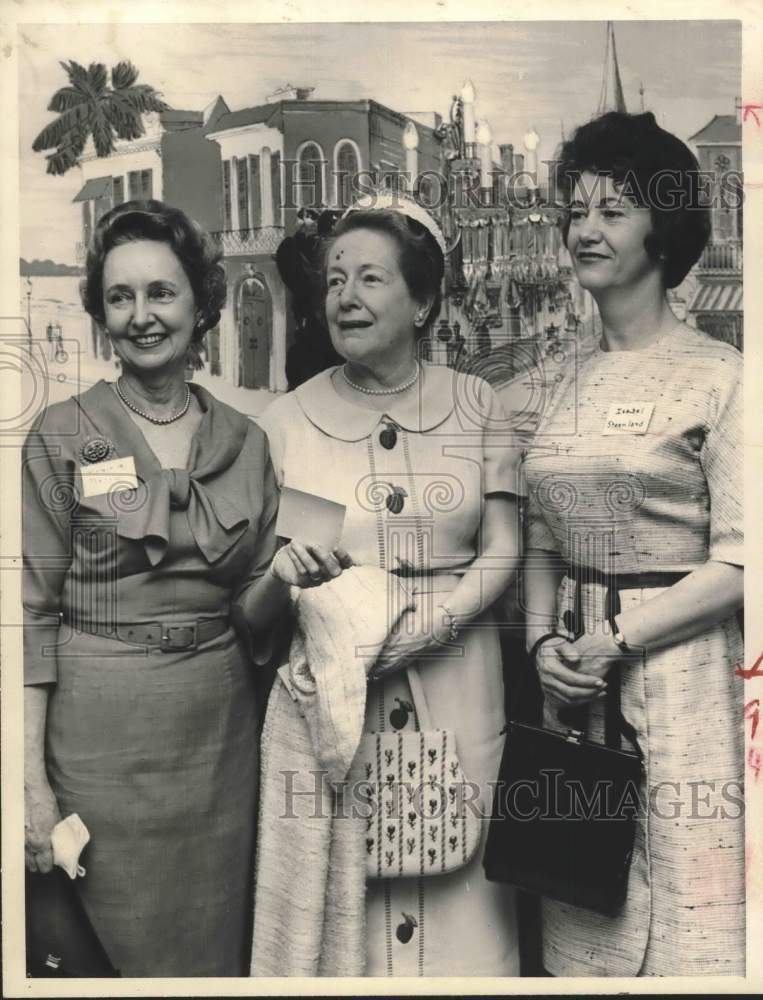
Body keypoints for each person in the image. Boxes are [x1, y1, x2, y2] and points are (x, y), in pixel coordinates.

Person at [22, 199, 348, 977]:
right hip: (96, 746)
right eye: (120, 297)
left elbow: (254, 617)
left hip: (219, 746)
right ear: (101, 313)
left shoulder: (246, 442)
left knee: (213, 956)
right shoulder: (63, 435)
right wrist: (31, 789)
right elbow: (28, 615)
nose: (142, 316)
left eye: (161, 293)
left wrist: (281, 577)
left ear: (202, 303)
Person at [253, 193, 523, 976]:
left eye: (370, 278)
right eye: (335, 278)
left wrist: (434, 623)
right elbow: (289, 572)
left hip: (461, 685)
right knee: (355, 933)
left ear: (424, 300)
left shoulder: (477, 406)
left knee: (465, 925)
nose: (344, 295)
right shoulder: (289, 422)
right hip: (345, 703)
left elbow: (503, 550)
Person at [522, 111, 744, 976]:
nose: (584, 229)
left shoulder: (721, 376)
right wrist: (545, 641)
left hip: (681, 682)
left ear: (663, 229)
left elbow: (743, 559)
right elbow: (541, 527)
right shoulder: (555, 377)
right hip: (573, 690)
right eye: (575, 210)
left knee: (691, 920)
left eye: (612, 209)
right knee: (582, 923)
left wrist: (615, 641)